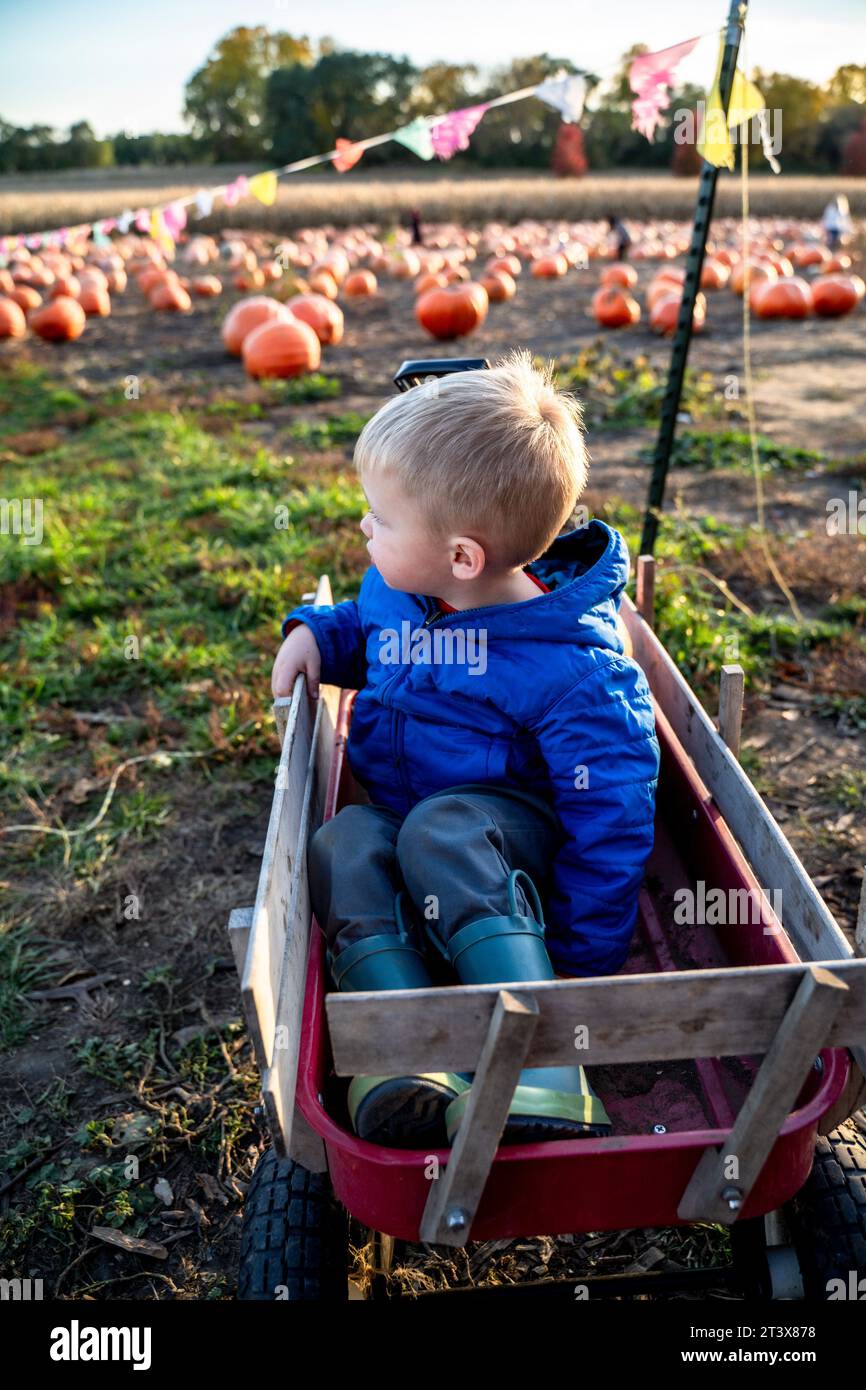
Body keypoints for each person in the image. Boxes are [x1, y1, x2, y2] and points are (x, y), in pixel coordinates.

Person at [271, 352, 660, 1149]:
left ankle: (544, 1059)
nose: (363, 527)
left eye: (380, 517)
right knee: (344, 839)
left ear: (462, 557)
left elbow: (610, 814)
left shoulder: (570, 665)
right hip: (418, 826)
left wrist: (584, 964)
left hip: (512, 858)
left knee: (442, 828)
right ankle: (407, 1048)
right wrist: (318, 633)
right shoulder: (407, 590)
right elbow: (373, 632)